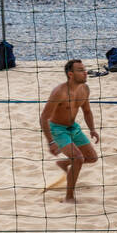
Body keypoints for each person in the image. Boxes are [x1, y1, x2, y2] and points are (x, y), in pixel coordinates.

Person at [40, 59, 100, 203]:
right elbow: (44, 118)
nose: (85, 72)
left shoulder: (85, 89)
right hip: (57, 129)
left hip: (73, 127)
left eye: (84, 69)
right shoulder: (59, 92)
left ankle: (64, 163)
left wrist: (92, 129)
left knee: (92, 158)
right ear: (71, 74)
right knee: (78, 158)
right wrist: (51, 142)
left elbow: (87, 111)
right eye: (80, 70)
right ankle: (69, 197)